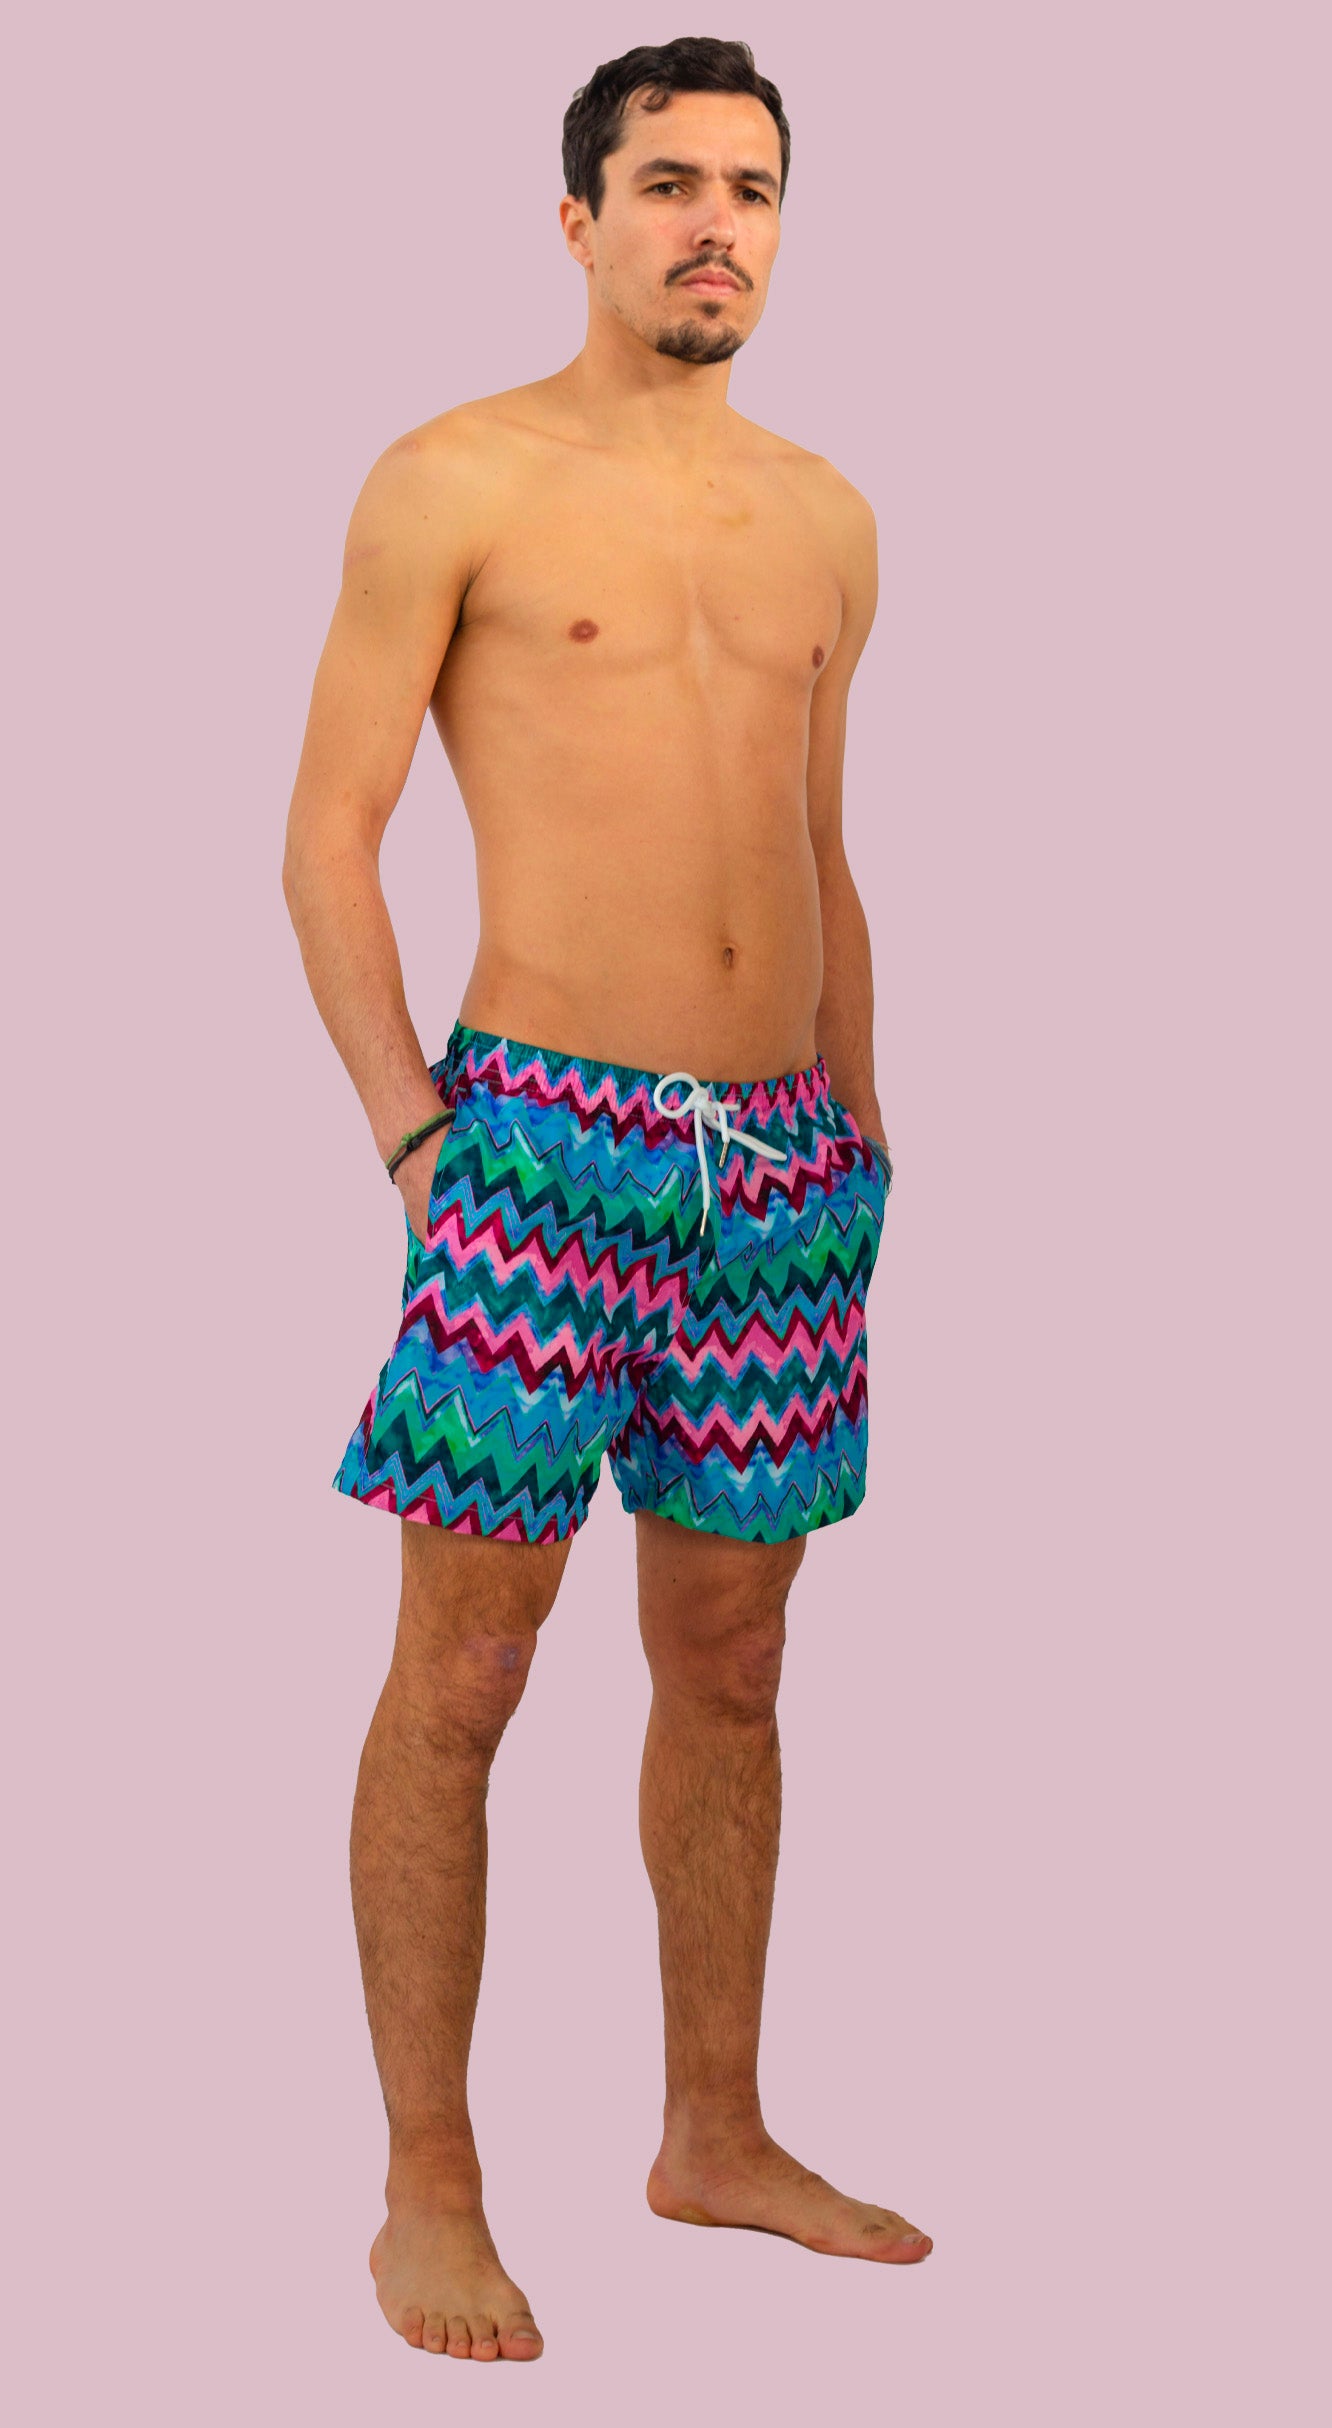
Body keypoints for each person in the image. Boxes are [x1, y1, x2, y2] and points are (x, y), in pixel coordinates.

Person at [282, 33, 931, 2368]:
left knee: (733, 1663)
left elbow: (820, 842)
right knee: (465, 1670)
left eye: (749, 187)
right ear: (580, 220)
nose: (713, 224)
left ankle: (714, 2130)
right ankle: (428, 2182)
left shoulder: (829, 515)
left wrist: (866, 1124)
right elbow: (326, 833)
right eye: (668, 183)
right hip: (536, 1148)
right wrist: (413, 1131)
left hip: (782, 1170)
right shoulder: (455, 475)